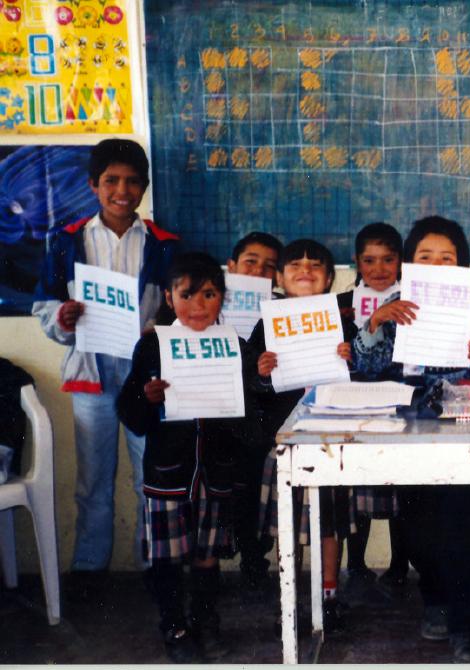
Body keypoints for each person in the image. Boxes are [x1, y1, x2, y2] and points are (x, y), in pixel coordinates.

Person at [354, 215, 470, 663]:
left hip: (465, 429)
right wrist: (375, 324)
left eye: (447, 258)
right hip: (408, 433)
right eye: (426, 257)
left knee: (461, 527)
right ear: (408, 264)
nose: (437, 265)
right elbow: (363, 368)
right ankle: (434, 599)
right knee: (418, 529)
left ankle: (465, 626)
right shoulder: (395, 309)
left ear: (462, 266)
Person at [32, 138, 179, 601]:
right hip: (91, 374)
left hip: (144, 378)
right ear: (94, 184)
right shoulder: (66, 240)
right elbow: (44, 304)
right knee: (93, 478)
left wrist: (162, 332)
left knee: (148, 474)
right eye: (111, 180)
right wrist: (62, 318)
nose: (122, 190)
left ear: (144, 188)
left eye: (133, 181)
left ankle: (154, 564)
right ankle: (91, 568)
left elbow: (177, 309)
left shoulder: (163, 244)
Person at [116, 252, 253, 662]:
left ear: (222, 299)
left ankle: (206, 621)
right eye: (186, 294)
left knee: (208, 554)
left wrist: (259, 375)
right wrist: (146, 396)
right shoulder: (151, 346)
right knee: (168, 556)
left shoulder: (236, 347)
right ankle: (174, 626)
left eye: (209, 294)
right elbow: (129, 413)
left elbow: (250, 413)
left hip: (214, 472)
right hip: (167, 472)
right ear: (170, 299)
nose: (197, 305)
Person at [250, 239, 356, 633]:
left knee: (329, 522)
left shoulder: (342, 321)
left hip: (329, 435)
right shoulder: (266, 324)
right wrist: (262, 371)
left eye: (316, 265)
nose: (306, 270)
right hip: (286, 439)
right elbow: (252, 385)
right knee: (287, 524)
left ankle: (329, 593)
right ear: (279, 278)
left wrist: (351, 355)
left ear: (329, 278)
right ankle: (289, 595)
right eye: (295, 265)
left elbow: (359, 371)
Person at [336, 222, 409, 600]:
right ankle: (357, 565)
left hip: (398, 403)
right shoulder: (341, 304)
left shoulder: (411, 299)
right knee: (356, 491)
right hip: (355, 405)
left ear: (401, 262)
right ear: (356, 262)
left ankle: (399, 566)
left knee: (399, 489)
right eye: (369, 260)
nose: (379, 269)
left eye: (388, 260)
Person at [224, 230, 282, 589]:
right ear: (231, 266)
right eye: (250, 263)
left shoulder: (280, 310)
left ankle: (254, 558)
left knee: (254, 488)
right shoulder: (212, 304)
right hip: (221, 414)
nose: (259, 272)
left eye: (269, 267)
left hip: (259, 414)